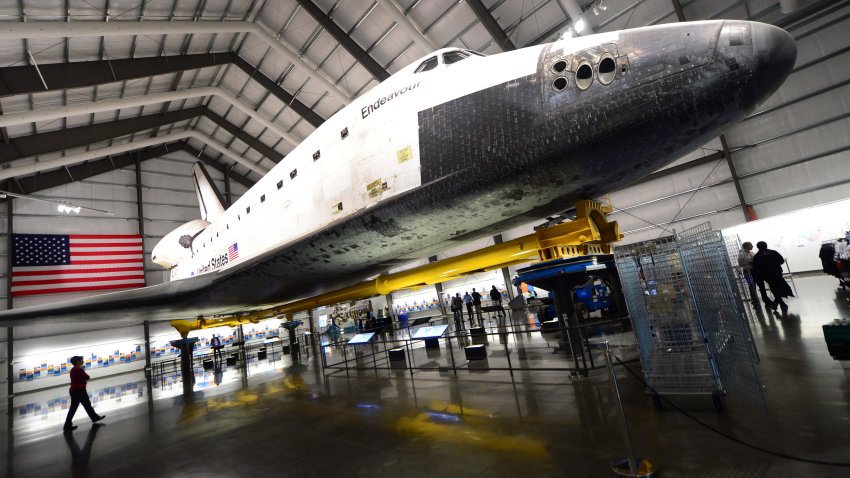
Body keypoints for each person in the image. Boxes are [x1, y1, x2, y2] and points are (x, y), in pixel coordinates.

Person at [63, 356, 105, 432]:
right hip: (79, 391)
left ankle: (67, 425)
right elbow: (87, 377)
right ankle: (94, 418)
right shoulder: (78, 369)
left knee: (75, 408)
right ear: (77, 362)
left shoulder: (73, 369)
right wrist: (84, 379)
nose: (83, 361)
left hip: (74, 390)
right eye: (81, 360)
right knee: (86, 405)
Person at [752, 241, 794, 313]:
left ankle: (780, 303)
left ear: (758, 247)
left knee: (774, 288)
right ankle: (780, 303)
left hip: (767, 276)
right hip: (777, 273)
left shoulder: (756, 256)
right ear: (766, 245)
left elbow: (756, 267)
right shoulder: (773, 252)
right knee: (780, 287)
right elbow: (781, 261)